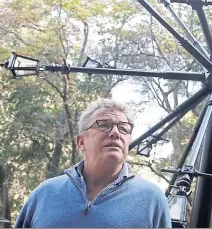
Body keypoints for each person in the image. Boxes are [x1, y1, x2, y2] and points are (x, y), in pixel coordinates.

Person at [14, 98, 172, 228]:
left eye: (123, 128)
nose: (115, 133)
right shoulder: (44, 194)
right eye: (104, 125)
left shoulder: (152, 199)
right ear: (81, 142)